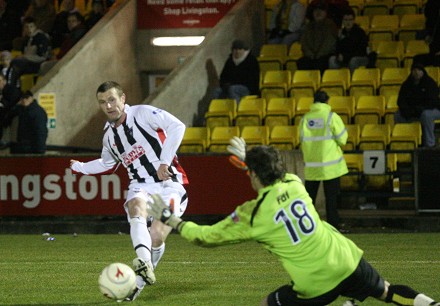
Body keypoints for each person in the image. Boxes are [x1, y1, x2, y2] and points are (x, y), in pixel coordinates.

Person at [146, 142, 440, 306]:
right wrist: (248, 156)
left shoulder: (254, 213)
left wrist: (174, 221)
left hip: (315, 285)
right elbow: (270, 169)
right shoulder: (296, 182)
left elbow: (206, 237)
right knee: (387, 292)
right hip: (346, 259)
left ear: (253, 175)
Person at [69, 81, 189, 301]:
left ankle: (139, 283)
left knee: (157, 236)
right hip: (140, 185)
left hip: (169, 184)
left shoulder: (143, 114)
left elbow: (178, 126)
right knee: (136, 207)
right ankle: (143, 261)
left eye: (112, 100)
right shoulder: (109, 137)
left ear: (123, 99)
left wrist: (164, 162)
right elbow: (106, 163)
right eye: (103, 102)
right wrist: (80, 168)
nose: (108, 106)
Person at [299, 90, 348, 229]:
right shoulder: (331, 117)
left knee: (309, 199)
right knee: (331, 199)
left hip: (312, 166)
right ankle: (333, 226)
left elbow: (301, 139)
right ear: (327, 101)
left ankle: (306, 226)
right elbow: (343, 139)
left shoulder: (305, 118)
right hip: (330, 166)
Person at [394, 63, 440, 148]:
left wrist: (421, 108)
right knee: (398, 115)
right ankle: (404, 143)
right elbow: (401, 100)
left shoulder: (430, 83)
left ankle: (430, 144)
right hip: (413, 111)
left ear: (423, 72)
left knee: (426, 115)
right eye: (414, 70)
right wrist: (407, 110)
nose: (416, 72)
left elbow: (433, 101)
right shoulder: (406, 85)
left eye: (419, 70)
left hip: (432, 109)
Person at [8, 17, 51, 89]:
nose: (29, 29)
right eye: (26, 27)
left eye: (31, 26)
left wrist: (24, 58)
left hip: (38, 64)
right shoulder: (26, 39)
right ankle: (11, 89)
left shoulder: (41, 37)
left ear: (36, 27)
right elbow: (23, 53)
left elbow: (43, 57)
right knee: (13, 66)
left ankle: (10, 89)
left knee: (16, 64)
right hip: (26, 63)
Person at [39, 11, 87, 75]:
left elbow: (70, 50)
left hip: (69, 61)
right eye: (68, 21)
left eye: (73, 21)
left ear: (79, 22)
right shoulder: (73, 33)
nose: (70, 23)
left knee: (45, 66)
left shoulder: (79, 33)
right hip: (64, 59)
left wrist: (57, 57)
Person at [212, 39, 260, 104]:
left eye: (239, 49)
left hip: (247, 88)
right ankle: (218, 110)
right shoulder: (230, 61)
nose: (237, 52)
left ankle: (236, 109)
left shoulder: (251, 61)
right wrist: (225, 85)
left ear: (244, 50)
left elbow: (253, 79)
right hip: (230, 86)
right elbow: (223, 76)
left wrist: (233, 84)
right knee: (217, 91)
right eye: (235, 49)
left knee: (233, 89)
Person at [297, 3, 337, 73]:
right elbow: (304, 43)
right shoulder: (309, 26)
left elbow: (329, 43)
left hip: (325, 55)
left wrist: (319, 55)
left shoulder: (330, 25)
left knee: (320, 63)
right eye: (316, 10)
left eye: (321, 10)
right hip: (311, 56)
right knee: (302, 62)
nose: (318, 12)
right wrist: (310, 54)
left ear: (325, 13)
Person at [328, 8, 369, 73]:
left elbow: (361, 51)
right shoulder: (341, 33)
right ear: (343, 21)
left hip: (359, 57)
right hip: (345, 58)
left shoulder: (360, 32)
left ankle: (353, 81)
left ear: (353, 20)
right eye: (346, 20)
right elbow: (337, 48)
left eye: (350, 20)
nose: (348, 22)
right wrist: (338, 55)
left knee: (353, 61)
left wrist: (346, 56)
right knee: (332, 59)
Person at [412, 0, 440, 67]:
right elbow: (429, 18)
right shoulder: (433, 4)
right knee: (417, 60)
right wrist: (427, 35)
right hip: (433, 45)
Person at [0, 73, 22, 148]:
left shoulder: (10, 89)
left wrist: (2, 101)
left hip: (11, 114)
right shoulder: (4, 90)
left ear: (4, 80)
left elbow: (11, 103)